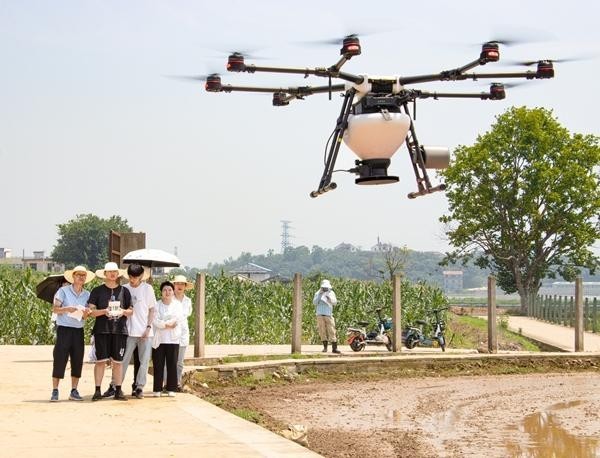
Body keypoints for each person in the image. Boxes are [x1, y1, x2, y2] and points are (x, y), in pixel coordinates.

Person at [103, 264, 156, 399]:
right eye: (130, 277)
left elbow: (152, 310)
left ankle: (139, 387)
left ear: (141, 276)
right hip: (127, 332)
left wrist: (148, 327)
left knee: (144, 361)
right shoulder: (124, 289)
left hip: (145, 332)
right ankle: (114, 386)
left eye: (135, 277)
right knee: (121, 361)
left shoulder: (148, 289)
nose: (132, 280)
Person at [88, 262, 132, 401]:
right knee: (100, 361)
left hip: (120, 330)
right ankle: (97, 390)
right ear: (105, 274)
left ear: (118, 274)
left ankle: (118, 390)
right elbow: (91, 311)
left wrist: (122, 311)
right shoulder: (97, 291)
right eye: (110, 271)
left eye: (115, 271)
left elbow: (131, 311)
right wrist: (104, 311)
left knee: (118, 362)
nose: (112, 274)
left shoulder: (125, 291)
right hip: (102, 330)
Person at [50, 266, 95, 402]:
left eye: (83, 275)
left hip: (78, 330)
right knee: (59, 358)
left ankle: (74, 390)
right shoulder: (63, 291)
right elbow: (55, 309)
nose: (81, 277)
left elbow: (87, 315)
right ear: (73, 276)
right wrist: (67, 309)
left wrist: (87, 313)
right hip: (64, 329)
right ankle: (55, 390)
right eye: (78, 275)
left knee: (77, 359)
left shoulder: (87, 294)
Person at [152, 281, 183, 397]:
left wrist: (166, 324)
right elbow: (155, 320)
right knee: (158, 364)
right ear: (161, 292)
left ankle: (171, 388)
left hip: (173, 339)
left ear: (173, 292)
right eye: (165, 290)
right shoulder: (156, 305)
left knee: (172, 364)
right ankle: (157, 389)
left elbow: (177, 318)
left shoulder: (177, 305)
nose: (167, 292)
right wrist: (166, 325)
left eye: (170, 290)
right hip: (159, 340)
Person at [169, 275, 193, 391]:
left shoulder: (188, 301)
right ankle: (168, 383)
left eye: (182, 284)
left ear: (185, 286)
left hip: (183, 332)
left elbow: (186, 315)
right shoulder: (169, 299)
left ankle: (177, 383)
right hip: (170, 332)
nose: (179, 286)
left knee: (180, 361)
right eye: (177, 283)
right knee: (169, 360)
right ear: (174, 285)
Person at [313, 279, 341, 354]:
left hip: (328, 314)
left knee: (332, 330)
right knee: (322, 331)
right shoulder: (317, 293)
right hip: (320, 314)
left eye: (326, 287)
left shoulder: (331, 293)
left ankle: (334, 348)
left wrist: (329, 298)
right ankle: (325, 347)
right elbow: (314, 302)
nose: (325, 289)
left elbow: (335, 302)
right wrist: (320, 295)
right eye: (324, 288)